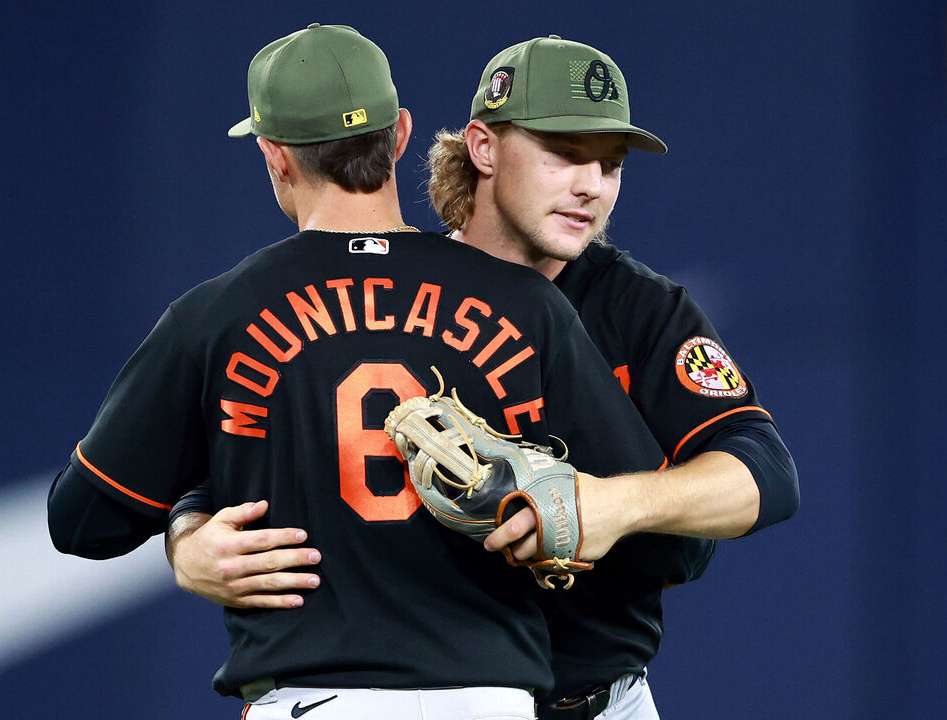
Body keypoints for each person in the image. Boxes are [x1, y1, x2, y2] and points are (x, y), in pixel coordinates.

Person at [166, 35, 800, 720]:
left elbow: (763, 473)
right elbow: (234, 454)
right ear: (484, 148)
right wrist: (187, 539)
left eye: (610, 165)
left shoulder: (641, 309)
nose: (591, 185)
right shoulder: (387, 293)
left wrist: (614, 504)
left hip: (599, 699)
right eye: (563, 154)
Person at [47, 24, 669, 720]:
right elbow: (670, 548)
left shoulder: (217, 316)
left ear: (275, 155)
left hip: (314, 699)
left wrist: (185, 535)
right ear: (400, 136)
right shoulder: (525, 304)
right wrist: (571, 510)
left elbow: (83, 520)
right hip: (490, 700)